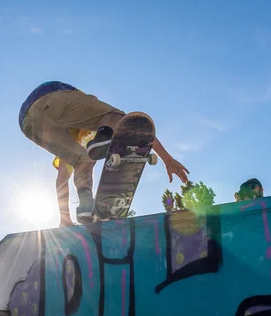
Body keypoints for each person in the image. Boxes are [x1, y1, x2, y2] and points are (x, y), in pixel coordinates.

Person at [19, 81, 190, 225]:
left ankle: (85, 205)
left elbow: (62, 180)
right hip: (51, 96)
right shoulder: (84, 124)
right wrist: (167, 159)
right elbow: (133, 126)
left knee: (82, 161)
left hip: (29, 124)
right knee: (115, 117)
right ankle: (104, 135)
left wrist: (64, 219)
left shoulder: (73, 139)